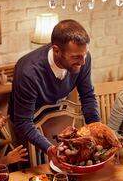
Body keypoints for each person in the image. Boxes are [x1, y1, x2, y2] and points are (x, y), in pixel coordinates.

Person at [8, 19, 100, 167]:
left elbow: (88, 97)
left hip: (57, 115)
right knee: (35, 169)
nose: (83, 62)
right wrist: (49, 148)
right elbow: (23, 122)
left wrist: (97, 130)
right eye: (76, 57)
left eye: (85, 55)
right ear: (56, 51)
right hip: (26, 123)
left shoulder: (83, 57)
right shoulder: (27, 72)